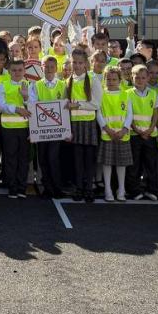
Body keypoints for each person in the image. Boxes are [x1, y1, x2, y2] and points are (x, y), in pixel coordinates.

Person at [66, 48, 100, 202]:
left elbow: (96, 104)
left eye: (80, 63)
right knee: (77, 159)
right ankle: (79, 187)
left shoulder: (93, 79)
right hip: (75, 125)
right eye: (74, 62)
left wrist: (77, 105)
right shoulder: (68, 80)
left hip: (89, 124)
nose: (77, 65)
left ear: (86, 64)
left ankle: (88, 188)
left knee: (89, 159)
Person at [97, 65, 132, 203]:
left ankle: (121, 190)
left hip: (122, 135)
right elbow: (98, 113)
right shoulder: (101, 94)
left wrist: (124, 129)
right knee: (107, 163)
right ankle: (108, 190)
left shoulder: (126, 94)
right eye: (109, 79)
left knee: (121, 163)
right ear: (104, 79)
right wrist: (106, 128)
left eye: (114, 79)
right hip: (108, 134)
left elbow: (129, 114)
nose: (111, 82)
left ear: (120, 80)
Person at [31, 55, 65, 199]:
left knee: (53, 159)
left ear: (56, 68)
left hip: (57, 130)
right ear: (41, 67)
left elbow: (66, 108)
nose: (49, 69)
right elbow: (33, 106)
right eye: (46, 66)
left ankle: (57, 188)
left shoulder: (63, 85)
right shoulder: (36, 85)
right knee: (43, 159)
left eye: (52, 66)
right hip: (41, 130)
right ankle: (47, 188)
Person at [0, 59, 31, 199]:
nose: (17, 73)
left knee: (23, 158)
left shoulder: (30, 86)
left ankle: (22, 187)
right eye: (14, 70)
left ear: (24, 71)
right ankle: (12, 187)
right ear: (9, 71)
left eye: (20, 70)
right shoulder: (2, 85)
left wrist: (25, 97)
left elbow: (33, 106)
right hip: (8, 127)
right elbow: (1, 105)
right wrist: (16, 109)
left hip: (25, 129)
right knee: (10, 158)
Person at [127, 64, 158, 201]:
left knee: (150, 164)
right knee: (134, 164)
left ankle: (151, 189)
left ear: (148, 78)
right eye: (137, 77)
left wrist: (151, 128)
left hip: (150, 135)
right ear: (132, 78)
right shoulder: (128, 94)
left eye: (143, 77)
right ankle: (134, 190)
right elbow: (128, 115)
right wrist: (137, 130)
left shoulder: (153, 93)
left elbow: (155, 113)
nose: (140, 80)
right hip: (135, 135)